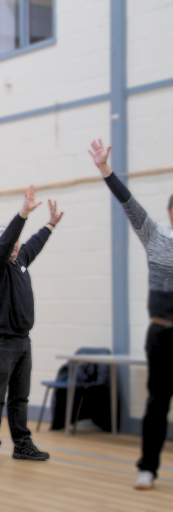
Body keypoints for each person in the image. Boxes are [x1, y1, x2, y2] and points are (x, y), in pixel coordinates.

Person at [89, 139, 173, 491]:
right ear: (170, 212)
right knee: (157, 403)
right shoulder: (155, 236)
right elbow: (129, 204)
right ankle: (147, 469)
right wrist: (105, 170)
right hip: (162, 335)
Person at [0, 185, 63, 463]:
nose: (14, 245)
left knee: (20, 397)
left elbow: (33, 244)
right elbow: (7, 243)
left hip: (22, 340)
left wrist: (49, 225)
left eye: (16, 242)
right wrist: (23, 214)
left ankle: (22, 444)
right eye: (8, 242)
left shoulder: (21, 260)